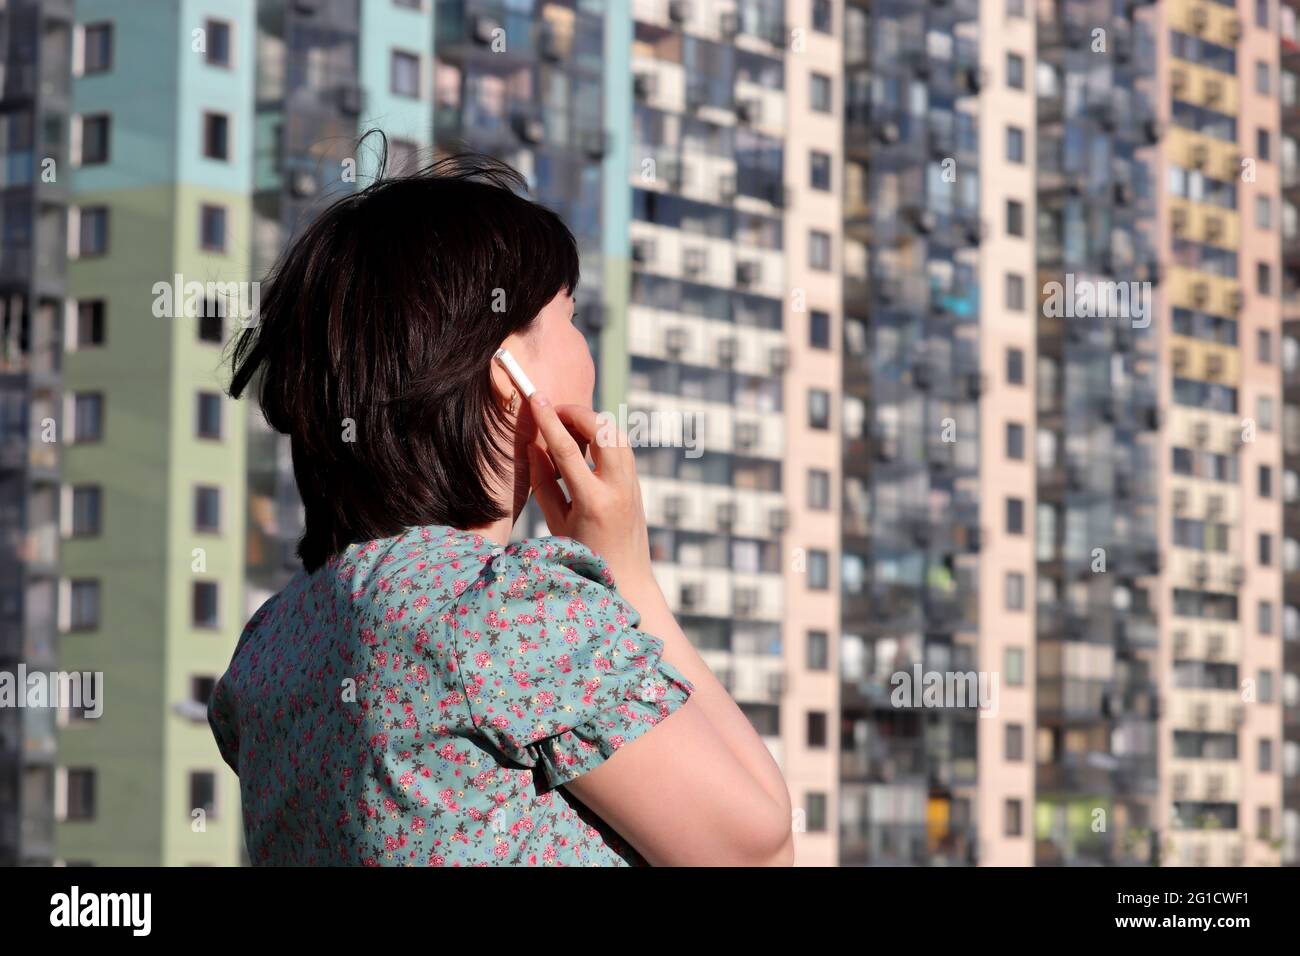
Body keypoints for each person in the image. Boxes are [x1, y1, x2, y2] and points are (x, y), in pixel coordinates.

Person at [208, 149, 794, 866]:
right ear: (507, 375)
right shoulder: (501, 607)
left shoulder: (273, 640)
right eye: (572, 318)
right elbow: (758, 847)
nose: (588, 350)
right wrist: (631, 581)